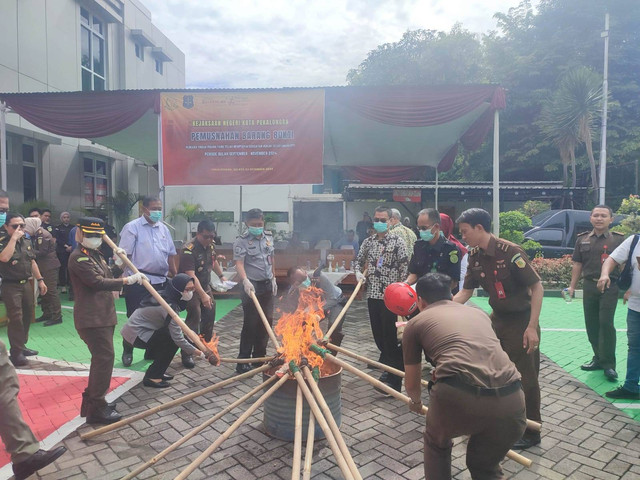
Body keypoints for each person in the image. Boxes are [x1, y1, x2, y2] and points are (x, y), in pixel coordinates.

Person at [403, 273, 526, 480]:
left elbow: (412, 382)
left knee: (437, 444)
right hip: (513, 399)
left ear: (420, 301)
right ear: (451, 296)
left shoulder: (415, 323)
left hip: (459, 397)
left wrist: (415, 402)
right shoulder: (479, 314)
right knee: (483, 466)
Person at [452, 208, 543, 449]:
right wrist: (439, 309)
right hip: (497, 318)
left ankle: (532, 431)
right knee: (492, 370)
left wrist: (532, 327)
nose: (463, 237)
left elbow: (537, 287)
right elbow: (465, 291)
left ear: (479, 228)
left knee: (526, 376)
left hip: (521, 320)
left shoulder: (511, 252)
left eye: (465, 232)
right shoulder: (474, 255)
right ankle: (500, 418)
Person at [68, 217, 147, 424]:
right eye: (90, 235)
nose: (95, 239)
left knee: (103, 360)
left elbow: (107, 273)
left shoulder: (95, 255)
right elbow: (96, 282)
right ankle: (96, 407)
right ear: (80, 234)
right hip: (92, 319)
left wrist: (120, 265)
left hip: (103, 316)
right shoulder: (79, 258)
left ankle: (96, 402)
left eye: (98, 235)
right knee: (103, 360)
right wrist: (127, 280)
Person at [355, 206, 409, 392]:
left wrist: (402, 293)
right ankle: (389, 369)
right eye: (376, 219)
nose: (379, 223)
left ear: (390, 221)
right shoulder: (368, 242)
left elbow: (404, 269)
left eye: (382, 220)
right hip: (373, 295)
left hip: (391, 297)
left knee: (390, 337)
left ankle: (393, 378)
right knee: (379, 336)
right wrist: (358, 274)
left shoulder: (397, 242)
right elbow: (358, 260)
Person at [568, 205, 624, 381]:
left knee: (606, 323)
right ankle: (598, 358)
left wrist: (628, 286)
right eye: (596, 215)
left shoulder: (618, 240)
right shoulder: (582, 239)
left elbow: (624, 265)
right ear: (591, 218)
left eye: (603, 216)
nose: (599, 218)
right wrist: (572, 286)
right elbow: (577, 264)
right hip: (589, 286)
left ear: (611, 219)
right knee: (591, 324)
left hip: (610, 286)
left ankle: (609, 365)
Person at [121, 274, 203, 387]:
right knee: (172, 342)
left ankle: (157, 369)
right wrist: (199, 353)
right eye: (187, 289)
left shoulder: (164, 295)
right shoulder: (168, 307)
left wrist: (190, 334)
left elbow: (178, 326)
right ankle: (153, 376)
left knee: (168, 335)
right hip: (135, 335)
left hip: (138, 330)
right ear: (177, 289)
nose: (190, 292)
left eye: (192, 289)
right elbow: (178, 339)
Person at [176, 220, 225, 368]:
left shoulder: (210, 245)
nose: (210, 240)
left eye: (212, 236)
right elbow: (191, 276)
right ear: (198, 234)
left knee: (210, 313)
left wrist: (222, 276)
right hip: (190, 288)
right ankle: (187, 353)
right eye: (206, 236)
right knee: (194, 317)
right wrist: (203, 295)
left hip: (205, 285)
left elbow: (213, 260)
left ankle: (205, 348)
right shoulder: (188, 250)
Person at [0, 213, 47, 366]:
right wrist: (13, 238)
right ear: (6, 227)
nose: (19, 229)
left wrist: (40, 280)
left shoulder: (26, 241)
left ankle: (22, 345)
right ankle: (16, 353)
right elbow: (4, 258)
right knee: (16, 319)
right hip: (10, 285)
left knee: (28, 315)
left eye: (22, 225)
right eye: (15, 226)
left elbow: (32, 261)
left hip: (25, 283)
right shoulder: (4, 242)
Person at [234, 208, 276, 374]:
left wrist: (273, 278)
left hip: (266, 285)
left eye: (260, 223)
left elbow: (272, 258)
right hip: (251, 286)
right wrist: (245, 280)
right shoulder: (241, 241)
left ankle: (260, 356)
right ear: (247, 224)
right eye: (254, 224)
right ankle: (243, 360)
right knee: (250, 323)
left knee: (266, 322)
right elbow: (239, 263)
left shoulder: (269, 237)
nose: (257, 227)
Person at [119, 195, 177, 314]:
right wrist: (120, 278)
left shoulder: (164, 229)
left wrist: (175, 275)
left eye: (159, 209)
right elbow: (124, 256)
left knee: (161, 318)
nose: (157, 212)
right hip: (139, 282)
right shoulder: (132, 227)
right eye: (154, 209)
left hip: (161, 282)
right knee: (137, 317)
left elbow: (171, 254)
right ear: (144, 209)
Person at [598, 235, 640, 399]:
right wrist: (604, 274)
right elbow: (612, 259)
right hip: (636, 306)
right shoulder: (635, 241)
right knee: (635, 347)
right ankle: (631, 386)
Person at [285, 265, 346, 346]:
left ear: (305, 273)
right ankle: (304, 351)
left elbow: (332, 299)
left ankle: (329, 356)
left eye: (303, 278)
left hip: (336, 301)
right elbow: (292, 309)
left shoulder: (318, 278)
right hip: (317, 305)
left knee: (334, 328)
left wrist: (314, 308)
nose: (303, 282)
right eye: (299, 282)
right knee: (303, 324)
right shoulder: (293, 290)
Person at [405, 209, 462, 294]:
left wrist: (435, 295)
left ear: (436, 227)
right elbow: (414, 273)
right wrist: (405, 284)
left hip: (443, 298)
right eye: (419, 228)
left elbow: (453, 282)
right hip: (422, 297)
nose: (421, 231)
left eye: (424, 228)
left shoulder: (451, 250)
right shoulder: (418, 246)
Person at [24, 217, 62, 326]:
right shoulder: (37, 234)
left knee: (51, 290)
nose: (25, 230)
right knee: (43, 290)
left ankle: (57, 316)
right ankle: (47, 313)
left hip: (49, 266)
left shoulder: (42, 235)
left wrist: (27, 250)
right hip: (44, 266)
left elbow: (42, 252)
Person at [439, 213, 468, 292]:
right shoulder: (429, 245)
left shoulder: (458, 248)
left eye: (439, 227)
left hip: (454, 290)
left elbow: (461, 274)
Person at [54, 212, 74, 294]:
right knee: (62, 268)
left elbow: (75, 238)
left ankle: (71, 284)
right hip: (62, 250)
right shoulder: (58, 228)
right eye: (64, 217)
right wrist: (66, 246)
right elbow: (57, 239)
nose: (66, 219)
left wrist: (71, 246)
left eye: (68, 217)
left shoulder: (73, 228)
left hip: (72, 250)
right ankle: (63, 285)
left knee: (71, 268)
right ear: (61, 219)